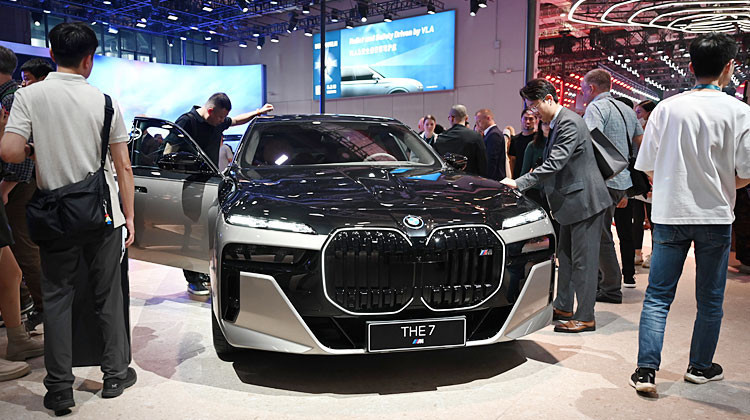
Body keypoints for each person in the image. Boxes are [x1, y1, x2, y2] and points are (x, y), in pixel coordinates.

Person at [0, 22, 137, 413]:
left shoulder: (29, 96)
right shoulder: (105, 102)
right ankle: (114, 374)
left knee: (58, 297)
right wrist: (129, 217)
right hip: (103, 215)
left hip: (55, 215)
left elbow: (9, 152)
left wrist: (35, 149)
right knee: (107, 295)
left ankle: (59, 388)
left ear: (51, 53)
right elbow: (123, 166)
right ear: (89, 59)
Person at [629, 33, 750, 394]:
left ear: (691, 66)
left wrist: (671, 184)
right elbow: (746, 173)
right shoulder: (740, 112)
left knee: (657, 296)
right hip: (715, 215)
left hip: (670, 213)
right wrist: (722, 185)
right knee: (710, 298)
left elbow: (648, 166)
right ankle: (700, 366)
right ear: (729, 67)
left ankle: (646, 371)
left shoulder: (667, 108)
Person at [501, 79, 611, 333]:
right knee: (567, 258)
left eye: (534, 106)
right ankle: (563, 306)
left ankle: (585, 316)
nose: (533, 112)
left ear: (548, 99)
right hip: (571, 203)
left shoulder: (569, 122)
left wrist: (519, 183)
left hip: (585, 202)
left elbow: (555, 163)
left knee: (584, 262)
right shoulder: (560, 122)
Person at [175, 93, 273, 296]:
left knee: (205, 231)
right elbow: (169, 151)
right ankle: (192, 277)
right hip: (189, 185)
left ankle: (201, 272)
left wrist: (257, 112)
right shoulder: (187, 122)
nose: (223, 121)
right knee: (190, 232)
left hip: (210, 184)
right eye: (220, 117)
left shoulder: (216, 123)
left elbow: (236, 120)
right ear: (210, 110)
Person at [0, 49, 44, 382]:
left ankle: (42, 311)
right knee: (14, 261)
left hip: (12, 186)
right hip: (11, 185)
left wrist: (5, 187)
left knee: (20, 254)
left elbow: (20, 151)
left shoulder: (12, 98)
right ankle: (19, 333)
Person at [580, 69, 643, 299]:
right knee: (604, 233)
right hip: (621, 181)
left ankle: (610, 287)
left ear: (591, 88)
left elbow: (587, 142)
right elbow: (640, 143)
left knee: (599, 235)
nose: (582, 93)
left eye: (583, 89)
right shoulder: (627, 109)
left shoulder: (596, 108)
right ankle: (602, 283)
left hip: (602, 180)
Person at [633, 100, 657, 268]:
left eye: (640, 112)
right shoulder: (640, 129)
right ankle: (637, 252)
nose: (637, 116)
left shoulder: (655, 129)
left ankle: (654, 254)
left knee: (653, 219)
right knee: (637, 217)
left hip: (652, 177)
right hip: (639, 176)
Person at [433, 105, 487, 177]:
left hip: (447, 181)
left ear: (452, 118)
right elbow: (483, 166)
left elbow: (436, 166)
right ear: (466, 118)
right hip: (470, 181)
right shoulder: (476, 137)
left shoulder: (441, 138)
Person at [475, 108, 510, 181]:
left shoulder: (494, 135)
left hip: (494, 179)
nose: (477, 125)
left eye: (479, 121)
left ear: (488, 118)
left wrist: (486, 180)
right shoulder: (491, 134)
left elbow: (491, 161)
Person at [508, 109, 537, 179]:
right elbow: (512, 161)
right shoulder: (515, 140)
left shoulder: (538, 139)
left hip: (533, 178)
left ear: (536, 121)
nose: (528, 122)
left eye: (531, 119)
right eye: (525, 119)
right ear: (521, 120)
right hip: (517, 177)